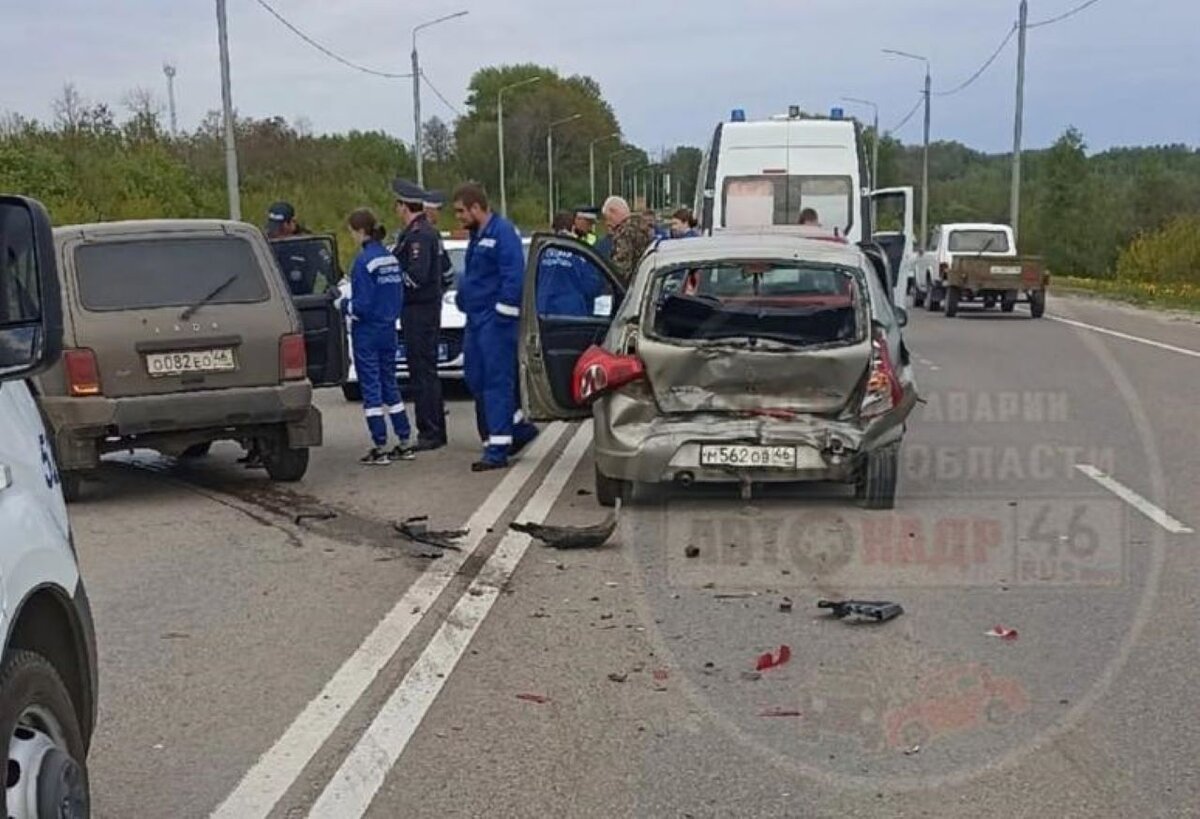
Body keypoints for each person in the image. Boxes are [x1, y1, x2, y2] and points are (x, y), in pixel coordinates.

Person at [453, 182, 539, 472]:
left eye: (461, 211)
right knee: (475, 378)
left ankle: (498, 448)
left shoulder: (503, 233)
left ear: (477, 207)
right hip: (477, 320)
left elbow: (514, 276)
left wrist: (503, 315)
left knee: (496, 382)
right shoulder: (478, 236)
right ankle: (517, 428)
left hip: (496, 322)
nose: (458, 217)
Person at [340, 208, 416, 466]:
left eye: (351, 231)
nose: (351, 237)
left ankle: (379, 444)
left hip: (368, 332)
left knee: (371, 389)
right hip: (388, 329)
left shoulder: (363, 263)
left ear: (361, 231)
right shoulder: (390, 259)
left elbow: (361, 305)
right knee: (390, 384)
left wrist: (342, 304)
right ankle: (405, 440)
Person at [393, 179, 448, 452]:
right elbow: (445, 273)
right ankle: (433, 427)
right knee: (425, 370)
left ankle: (430, 430)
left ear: (404, 206)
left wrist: (393, 282)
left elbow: (418, 275)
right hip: (423, 308)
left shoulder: (419, 236)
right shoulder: (422, 233)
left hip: (419, 309)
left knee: (422, 371)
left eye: (397, 204)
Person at [537, 211, 605, 316]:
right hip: (571, 316)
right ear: (573, 228)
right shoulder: (579, 254)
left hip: (542, 313)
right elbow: (592, 286)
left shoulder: (542, 253)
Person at [601, 195, 654, 286]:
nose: (607, 223)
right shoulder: (642, 228)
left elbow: (620, 270)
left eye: (607, 218)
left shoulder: (624, 234)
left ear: (614, 212)